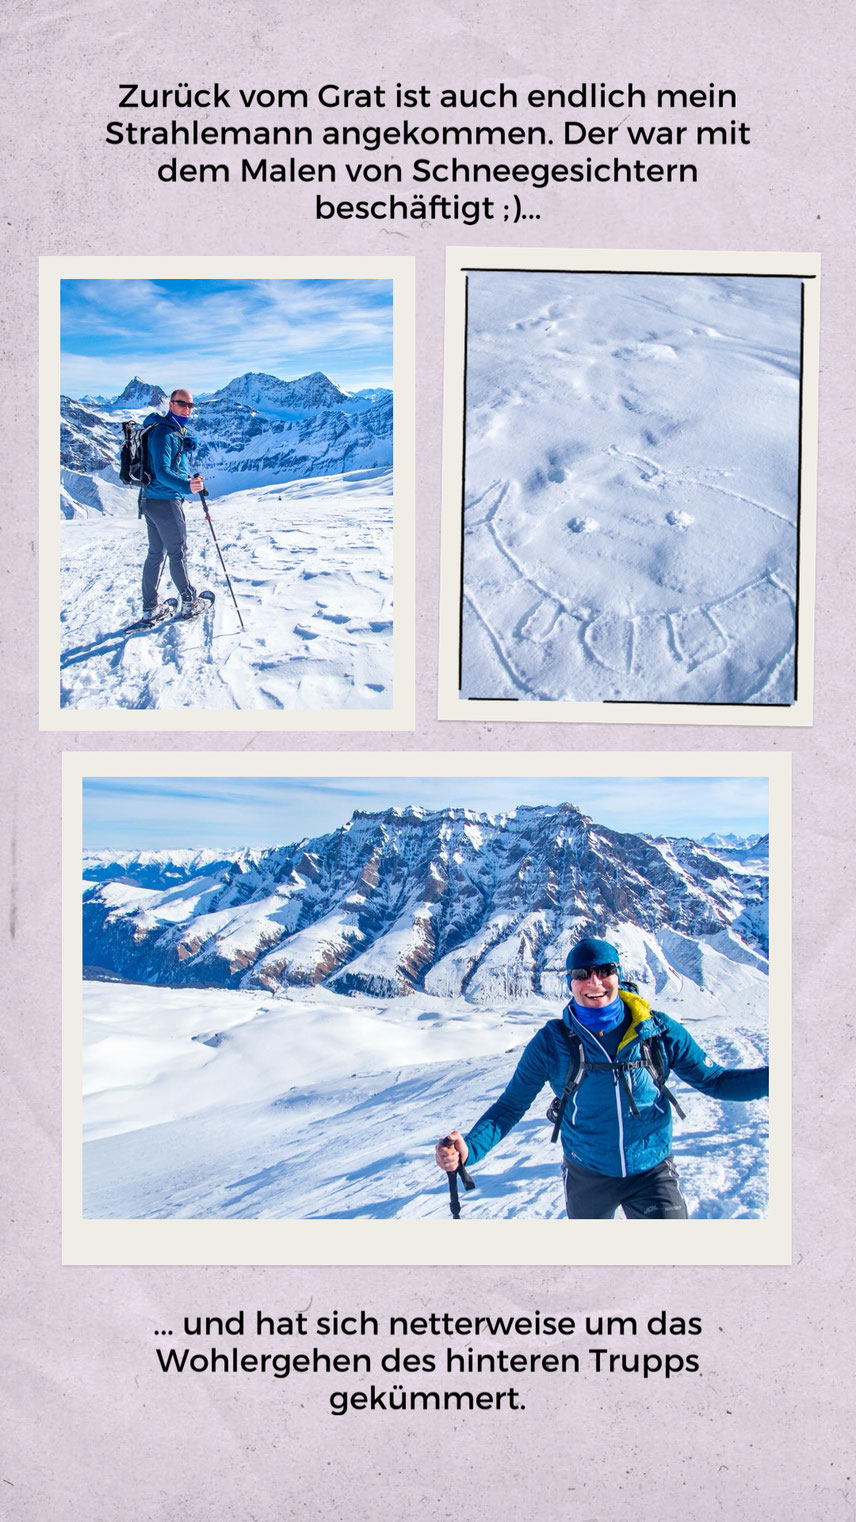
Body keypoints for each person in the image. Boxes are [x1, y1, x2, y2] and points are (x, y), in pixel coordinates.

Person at [435, 935, 769, 1219]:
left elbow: (717, 1082)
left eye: (604, 970)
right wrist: (470, 1149)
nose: (594, 982)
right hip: (587, 1174)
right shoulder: (553, 1043)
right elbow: (510, 1106)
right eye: (582, 973)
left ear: (617, 975)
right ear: (570, 982)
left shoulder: (657, 1031)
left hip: (651, 1170)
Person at [139, 389, 205, 623]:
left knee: (156, 554)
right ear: (170, 404)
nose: (187, 408)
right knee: (177, 554)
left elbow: (166, 462)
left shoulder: (170, 431)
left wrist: (183, 447)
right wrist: (188, 486)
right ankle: (190, 602)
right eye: (181, 403)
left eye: (190, 405)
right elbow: (162, 472)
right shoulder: (165, 434)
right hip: (165, 501)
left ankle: (150, 609)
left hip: (152, 501)